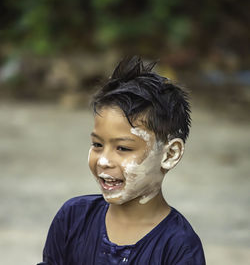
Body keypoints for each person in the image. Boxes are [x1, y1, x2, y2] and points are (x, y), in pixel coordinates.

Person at [38, 56, 206, 265]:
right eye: (97, 145)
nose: (104, 161)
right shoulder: (73, 218)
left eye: (123, 148)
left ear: (170, 154)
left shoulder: (179, 247)